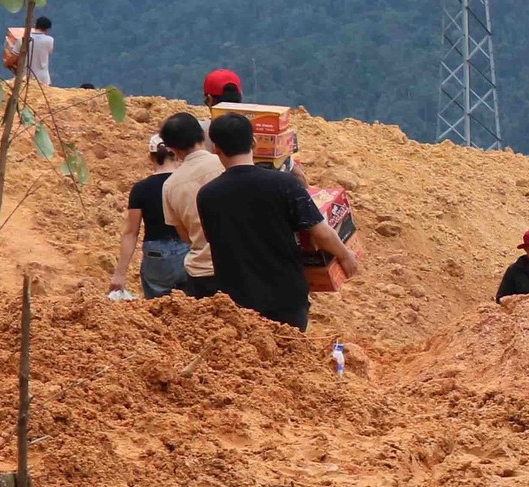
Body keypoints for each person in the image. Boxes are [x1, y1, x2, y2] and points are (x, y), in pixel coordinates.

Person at [194, 111, 358, 329]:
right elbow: (320, 231)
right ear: (253, 142)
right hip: (286, 297)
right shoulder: (284, 184)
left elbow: (211, 238)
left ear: (216, 149)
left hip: (237, 302)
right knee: (291, 356)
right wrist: (346, 256)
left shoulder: (207, 195)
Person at [109, 134, 189, 299]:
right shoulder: (186, 182)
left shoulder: (141, 189)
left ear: (150, 157)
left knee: (157, 311)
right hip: (188, 250)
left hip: (156, 255)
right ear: (177, 154)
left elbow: (131, 232)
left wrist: (120, 273)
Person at [160, 111, 226, 298]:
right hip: (238, 266)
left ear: (173, 148)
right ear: (203, 134)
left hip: (201, 271)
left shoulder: (170, 186)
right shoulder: (224, 164)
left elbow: (185, 237)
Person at [6, 15, 54, 87]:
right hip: (44, 79)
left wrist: (6, 63)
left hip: (26, 79)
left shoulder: (22, 40)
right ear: (47, 29)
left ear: (34, 26)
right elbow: (49, 52)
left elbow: (13, 58)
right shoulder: (50, 40)